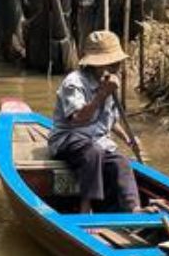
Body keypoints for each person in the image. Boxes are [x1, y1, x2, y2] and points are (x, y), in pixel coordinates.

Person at [49, 30, 142, 214]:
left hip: (97, 141)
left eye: (116, 63)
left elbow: (111, 119)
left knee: (120, 161)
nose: (116, 67)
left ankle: (134, 208)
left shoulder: (108, 81)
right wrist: (101, 94)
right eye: (111, 63)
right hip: (68, 138)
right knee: (93, 152)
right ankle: (85, 207)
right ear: (96, 64)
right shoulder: (74, 82)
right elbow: (77, 119)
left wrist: (129, 140)